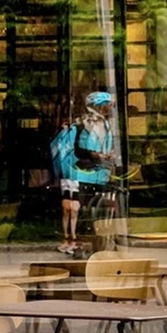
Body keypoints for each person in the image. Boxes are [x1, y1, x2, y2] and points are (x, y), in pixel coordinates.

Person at [51, 90, 117, 254]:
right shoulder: (82, 124)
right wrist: (96, 155)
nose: (111, 108)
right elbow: (78, 149)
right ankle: (70, 239)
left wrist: (107, 156)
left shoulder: (106, 124)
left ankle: (82, 238)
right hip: (77, 170)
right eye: (109, 105)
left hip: (96, 172)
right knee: (72, 206)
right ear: (99, 106)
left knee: (87, 206)